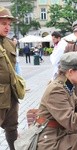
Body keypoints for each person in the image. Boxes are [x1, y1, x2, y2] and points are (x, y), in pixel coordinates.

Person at [0, 6, 19, 150]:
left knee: (12, 128)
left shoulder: (9, 43)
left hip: (11, 94)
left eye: (9, 24)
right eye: (3, 23)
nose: (7, 27)